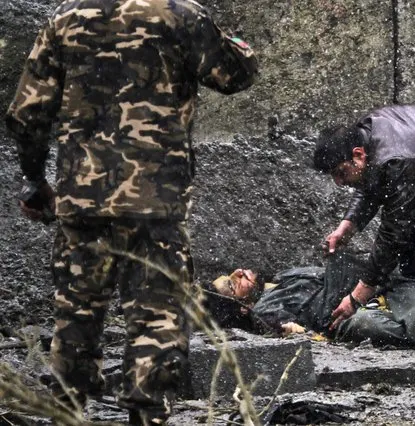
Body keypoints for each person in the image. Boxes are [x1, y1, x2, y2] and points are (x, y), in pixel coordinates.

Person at [5, 0, 258, 424]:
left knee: (76, 310)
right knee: (156, 314)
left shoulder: (65, 17)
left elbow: (29, 113)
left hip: (82, 198)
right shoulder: (180, 13)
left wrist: (34, 181)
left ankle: (67, 410)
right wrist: (229, 37)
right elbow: (236, 73)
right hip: (155, 200)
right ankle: (146, 413)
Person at [313, 104, 415, 330]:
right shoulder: (366, 133)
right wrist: (347, 226)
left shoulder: (396, 160)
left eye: (340, 173)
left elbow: (394, 233)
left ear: (357, 155)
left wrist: (359, 295)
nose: (339, 182)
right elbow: (371, 181)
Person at [200, 252, 415, 354]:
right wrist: (291, 331)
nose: (239, 272)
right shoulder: (264, 310)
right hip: (347, 318)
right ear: (242, 307)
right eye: (233, 285)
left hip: (387, 289)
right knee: (376, 324)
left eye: (233, 274)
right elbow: (286, 330)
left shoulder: (284, 275)